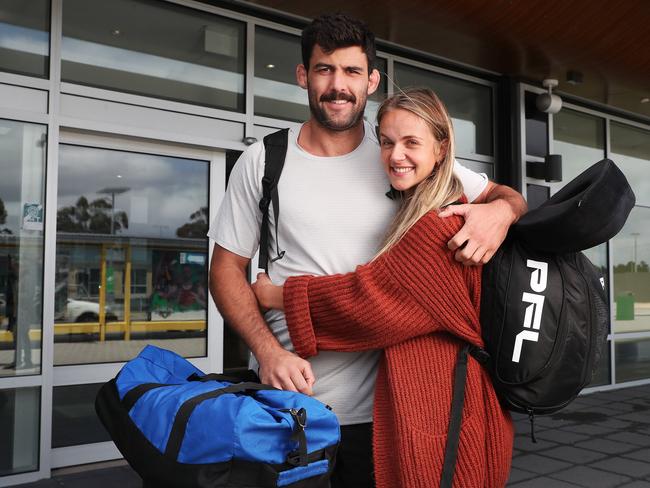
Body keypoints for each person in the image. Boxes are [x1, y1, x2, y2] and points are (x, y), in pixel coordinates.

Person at [208, 13, 525, 487]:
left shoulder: (398, 155)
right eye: (324, 69)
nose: (339, 85)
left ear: (372, 81)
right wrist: (267, 352)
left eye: (353, 72)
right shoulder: (264, 160)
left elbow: (507, 196)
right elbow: (226, 270)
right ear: (303, 75)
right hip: (291, 405)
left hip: (390, 408)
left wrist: (500, 215)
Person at [252, 87, 513, 487]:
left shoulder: (440, 222)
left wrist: (276, 295)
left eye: (411, 143)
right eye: (387, 142)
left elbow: (368, 302)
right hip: (440, 400)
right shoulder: (425, 204)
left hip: (444, 405)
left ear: (442, 150)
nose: (395, 155)